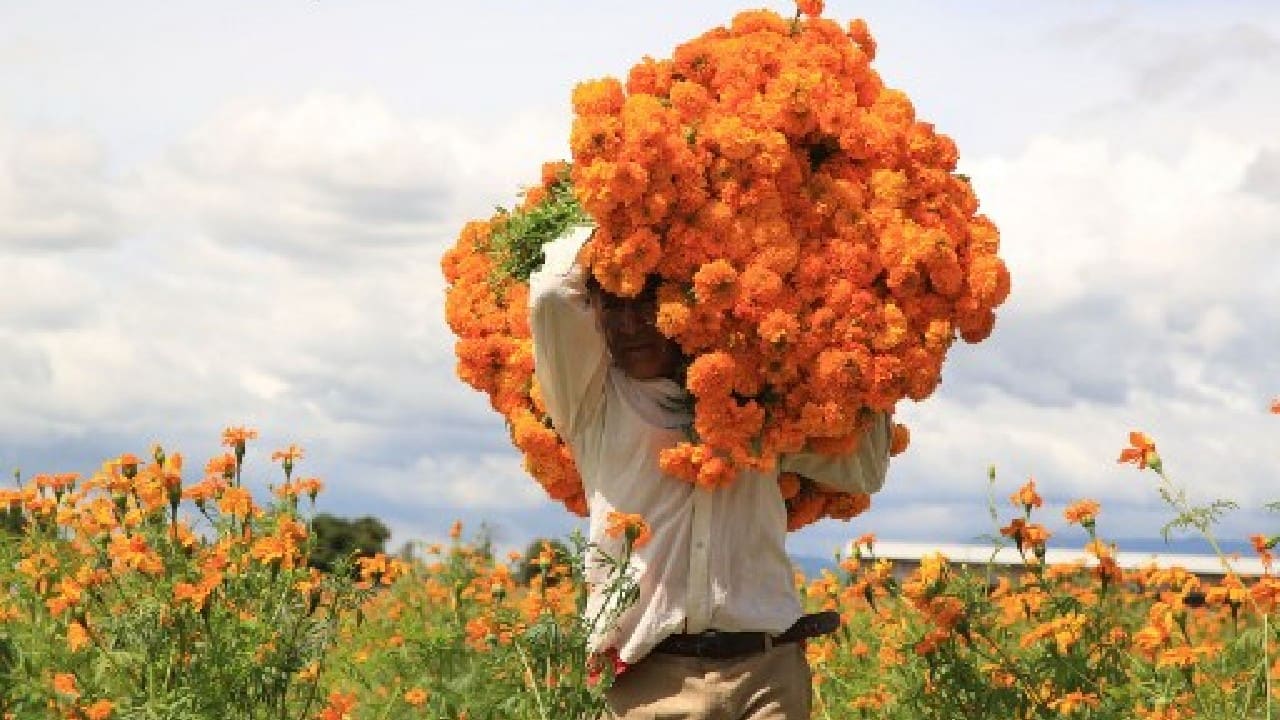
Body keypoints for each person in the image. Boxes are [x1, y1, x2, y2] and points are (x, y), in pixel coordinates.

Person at [530, 225, 891, 720]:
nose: (631, 325)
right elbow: (552, 293)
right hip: (651, 684)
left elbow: (864, 470)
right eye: (615, 305)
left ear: (690, 307)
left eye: (650, 304)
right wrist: (619, 217)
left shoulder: (757, 401)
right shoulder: (591, 402)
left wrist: (871, 357)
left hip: (767, 675)